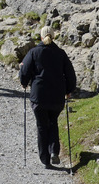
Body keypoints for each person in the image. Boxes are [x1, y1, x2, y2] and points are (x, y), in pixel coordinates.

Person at [19, 25, 77, 169]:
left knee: (41, 125)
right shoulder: (61, 53)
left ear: (40, 37)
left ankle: (45, 159)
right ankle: (53, 151)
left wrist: (23, 82)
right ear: (54, 36)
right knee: (53, 122)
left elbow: (24, 71)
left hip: (39, 96)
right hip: (57, 97)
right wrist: (69, 90)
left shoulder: (33, 52)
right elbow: (70, 74)